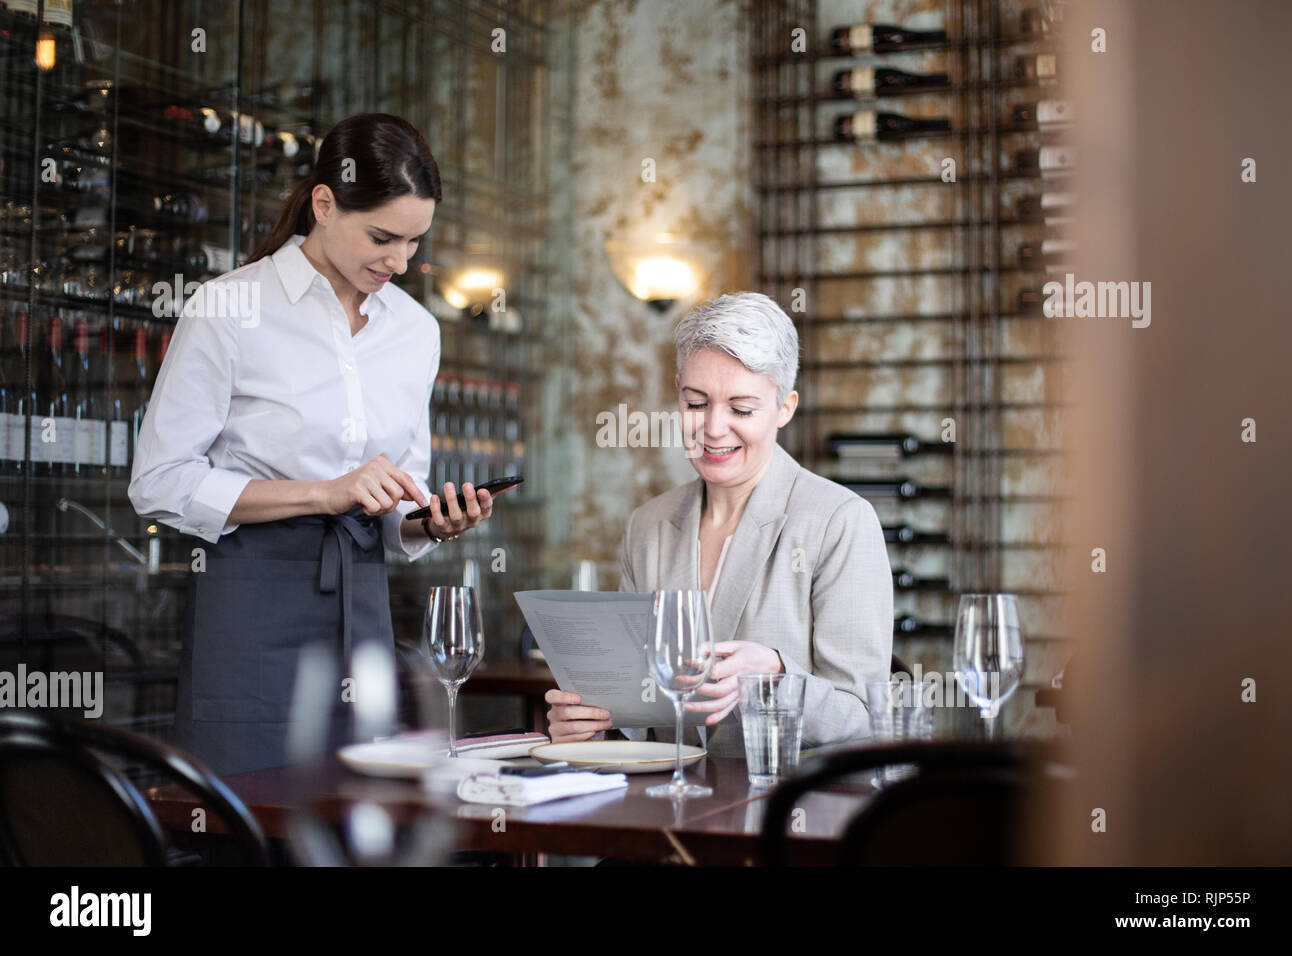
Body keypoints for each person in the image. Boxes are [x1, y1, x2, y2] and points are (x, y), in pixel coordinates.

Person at [129, 113, 495, 775]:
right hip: (250, 599)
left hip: (364, 604)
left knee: (356, 811)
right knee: (249, 811)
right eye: (382, 237)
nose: (399, 262)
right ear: (324, 204)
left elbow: (393, 508)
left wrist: (429, 525)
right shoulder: (227, 308)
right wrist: (324, 493)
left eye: (415, 243)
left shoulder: (415, 331)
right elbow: (158, 482)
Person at [545, 292, 893, 756]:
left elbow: (867, 718)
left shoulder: (840, 522)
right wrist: (595, 724)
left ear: (785, 408)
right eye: (696, 403)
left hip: (786, 814)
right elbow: (642, 709)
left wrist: (776, 677)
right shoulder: (646, 526)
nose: (712, 428)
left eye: (741, 409)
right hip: (669, 812)